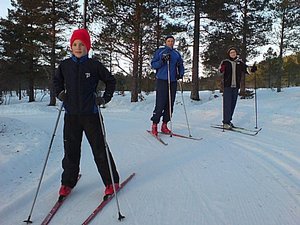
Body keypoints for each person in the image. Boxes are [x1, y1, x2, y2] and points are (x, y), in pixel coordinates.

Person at [53, 28, 120, 199]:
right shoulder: (65, 65)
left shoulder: (94, 65)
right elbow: (56, 81)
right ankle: (68, 182)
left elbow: (110, 81)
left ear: (87, 47)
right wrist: (60, 93)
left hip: (91, 114)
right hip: (71, 115)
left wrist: (105, 98)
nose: (78, 47)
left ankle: (111, 181)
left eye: (82, 44)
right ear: (71, 46)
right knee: (71, 150)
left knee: (99, 148)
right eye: (75, 44)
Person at [150, 35, 184, 136]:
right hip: (162, 80)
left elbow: (181, 65)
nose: (170, 43)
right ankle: (155, 124)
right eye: (168, 41)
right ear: (165, 42)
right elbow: (153, 64)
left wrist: (180, 74)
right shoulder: (160, 52)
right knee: (160, 103)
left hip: (172, 80)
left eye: (172, 41)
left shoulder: (176, 54)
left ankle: (164, 125)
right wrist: (162, 61)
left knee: (169, 104)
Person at [218, 46, 257, 129]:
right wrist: (221, 69)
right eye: (231, 52)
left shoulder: (240, 62)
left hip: (236, 86)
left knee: (233, 104)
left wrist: (252, 69)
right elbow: (219, 72)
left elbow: (247, 70)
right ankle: (225, 122)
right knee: (227, 104)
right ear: (229, 54)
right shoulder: (225, 62)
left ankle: (229, 121)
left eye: (234, 52)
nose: (233, 54)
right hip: (227, 86)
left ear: (236, 53)